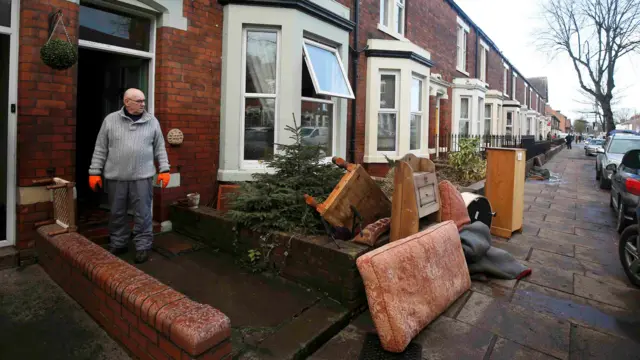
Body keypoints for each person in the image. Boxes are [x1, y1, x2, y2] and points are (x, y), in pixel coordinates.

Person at [88, 88, 170, 264]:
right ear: (127, 102)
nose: (143, 104)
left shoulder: (152, 121)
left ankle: (143, 246)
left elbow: (160, 148)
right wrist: (94, 172)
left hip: (142, 177)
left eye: (143, 101)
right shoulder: (110, 120)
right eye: (139, 101)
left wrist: (164, 169)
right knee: (116, 212)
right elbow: (100, 148)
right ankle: (119, 243)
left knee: (143, 213)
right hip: (116, 177)